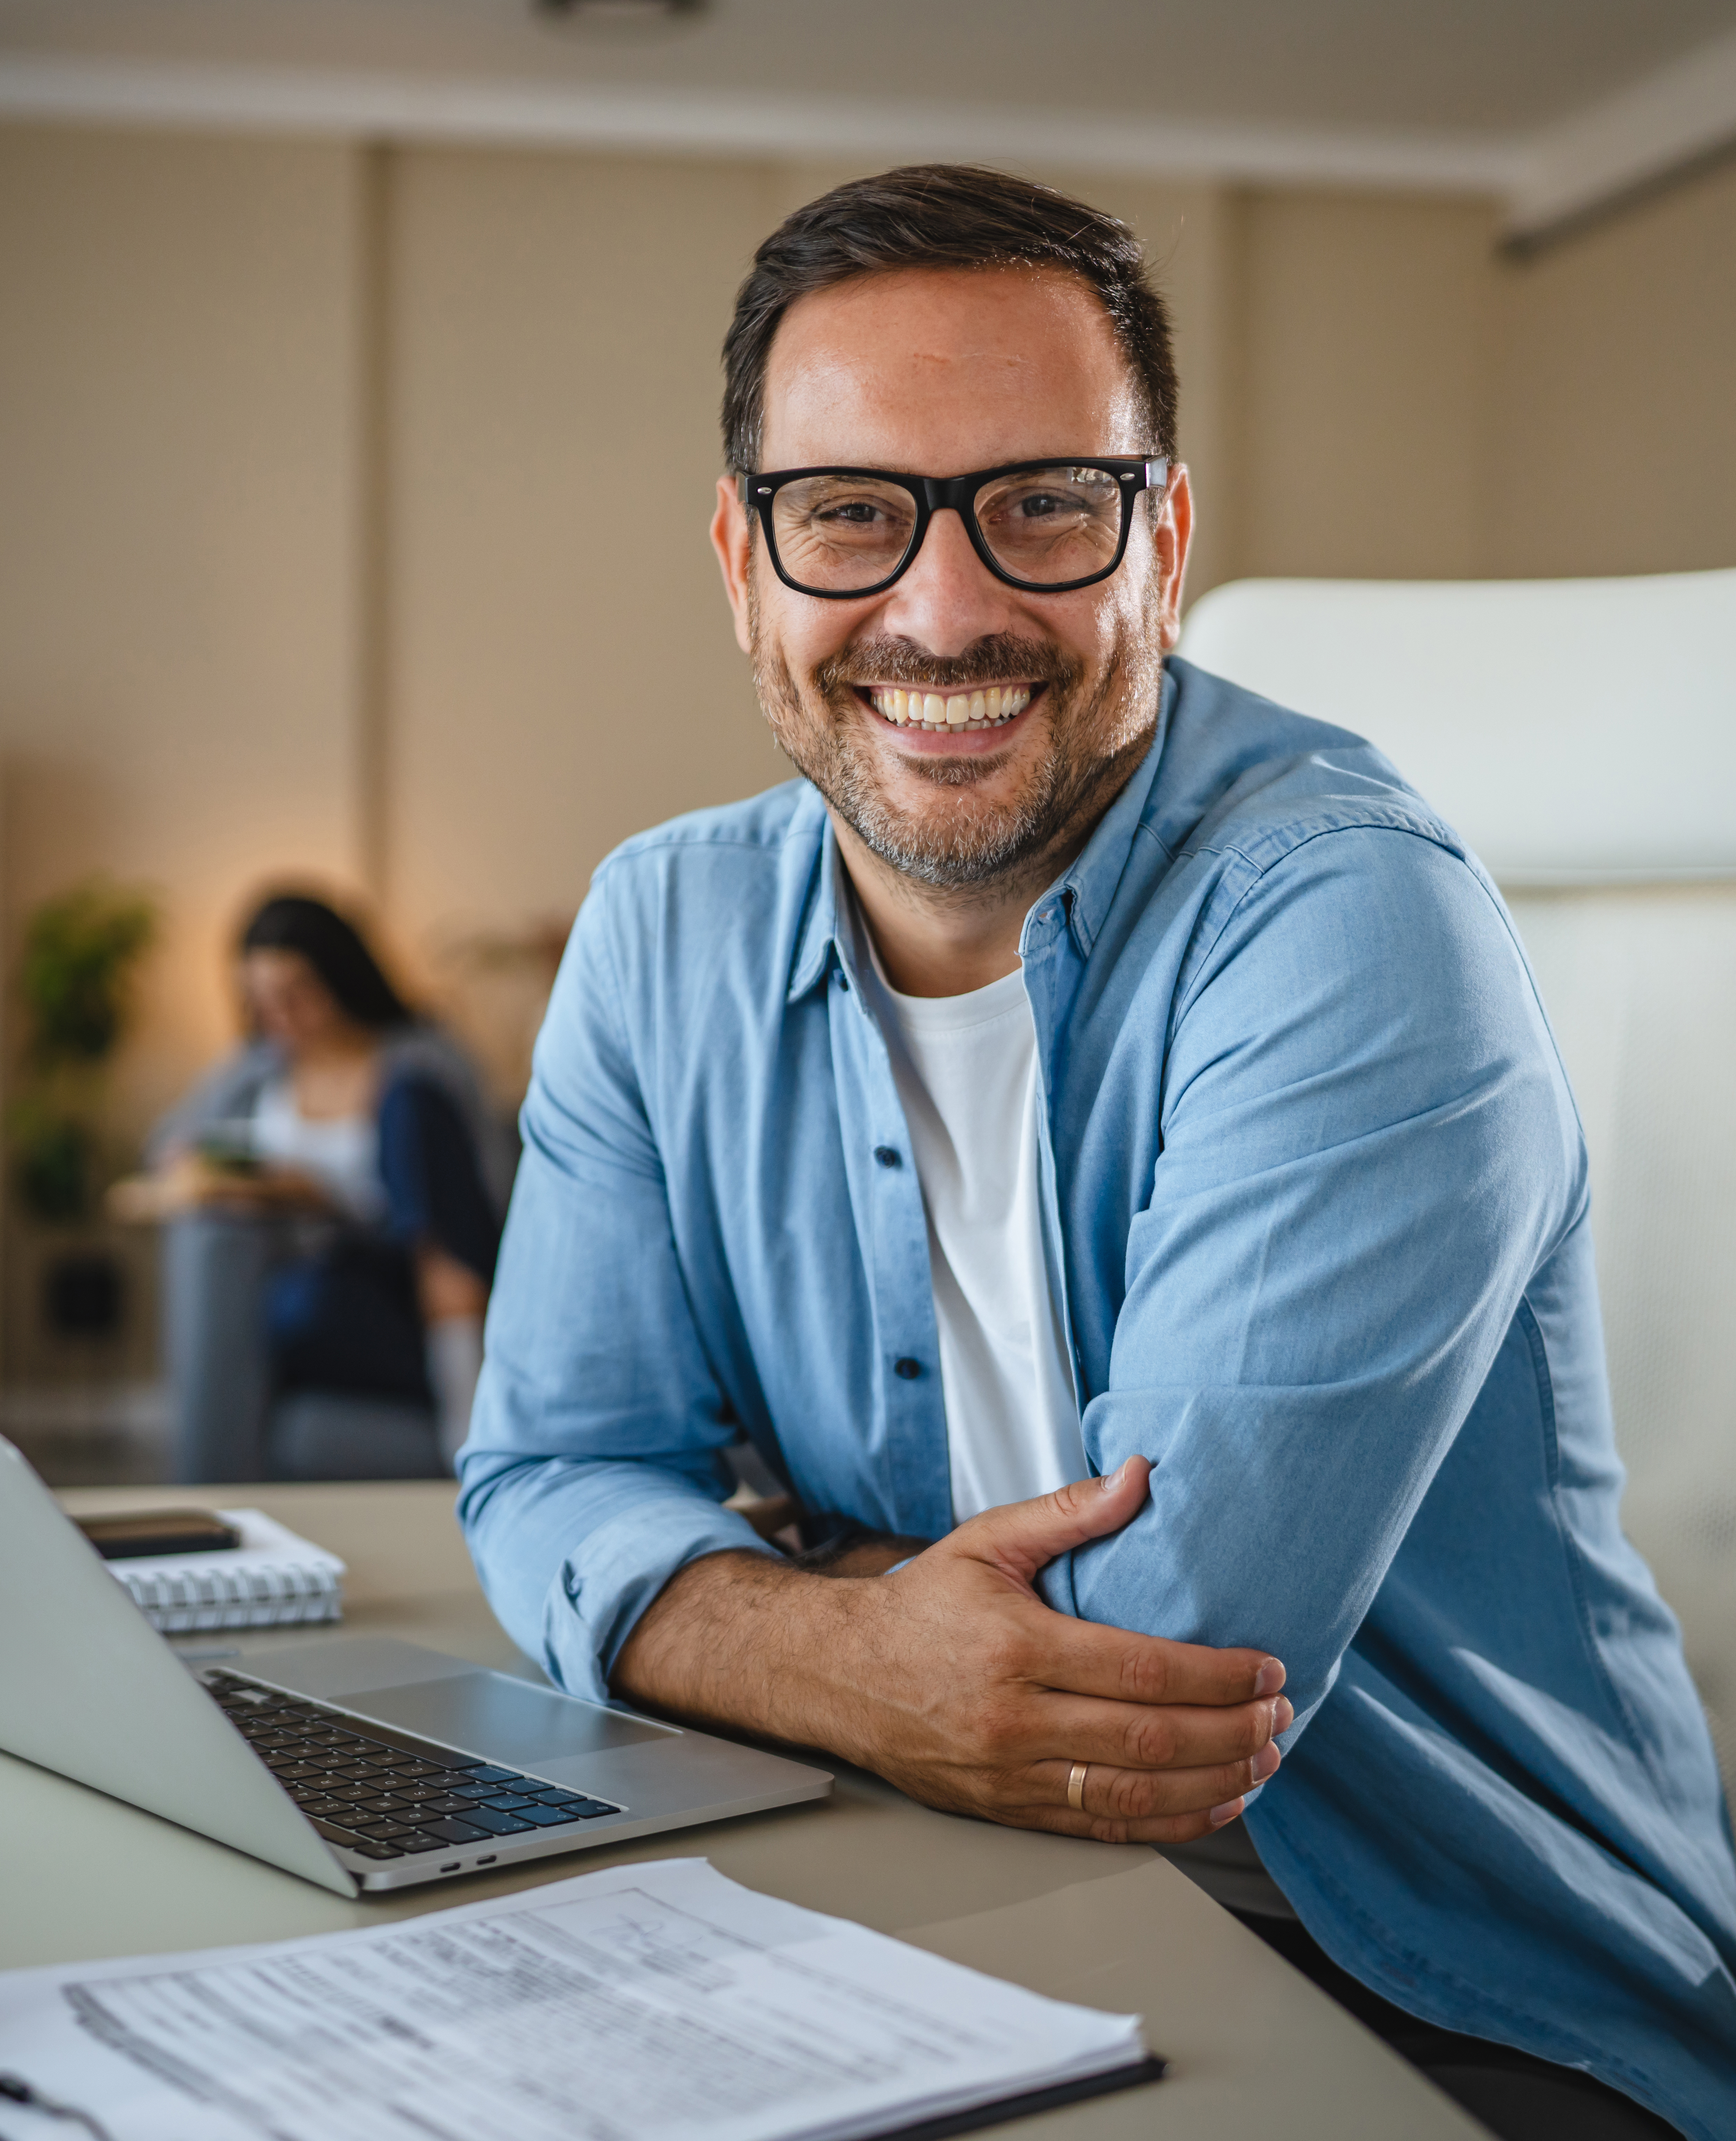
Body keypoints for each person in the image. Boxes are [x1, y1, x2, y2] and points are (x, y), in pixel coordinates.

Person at [456, 166, 1735, 2138]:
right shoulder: (660, 929)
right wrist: (860, 1642)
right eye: (851, 514)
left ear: (1165, 536)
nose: (945, 609)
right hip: (926, 1900)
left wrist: (769, 1586)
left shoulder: (1347, 921)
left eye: (1044, 502)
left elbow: (1133, 1684)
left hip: (1447, 1996)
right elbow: (546, 1464)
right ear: (740, 557)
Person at [142, 894, 502, 1480]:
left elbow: (484, 1187)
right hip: (323, 1289)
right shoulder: (256, 1069)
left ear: (341, 976)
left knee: (411, 1106)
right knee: (303, 1302)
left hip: (411, 1278)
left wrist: (321, 1193)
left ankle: (470, 1406)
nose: (281, 1015)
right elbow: (166, 1146)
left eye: (297, 993)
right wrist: (231, 1172)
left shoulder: (420, 1058)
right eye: (261, 1000)